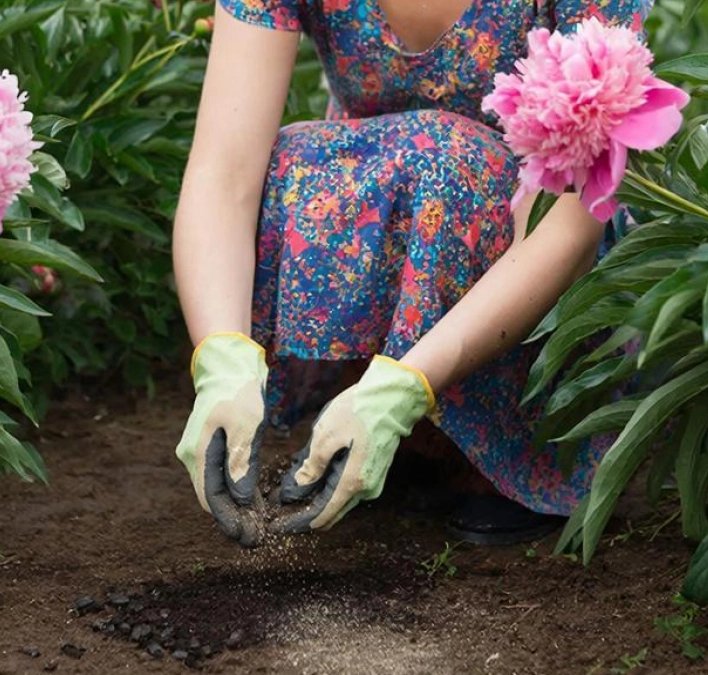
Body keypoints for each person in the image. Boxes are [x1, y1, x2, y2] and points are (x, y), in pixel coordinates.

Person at [173, 0, 652, 547]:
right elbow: (224, 174)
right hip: (403, 209)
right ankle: (401, 431)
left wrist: (406, 385)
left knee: (443, 159)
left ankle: (511, 447)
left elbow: (569, 225)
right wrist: (221, 357)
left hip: (535, 247)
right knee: (294, 162)